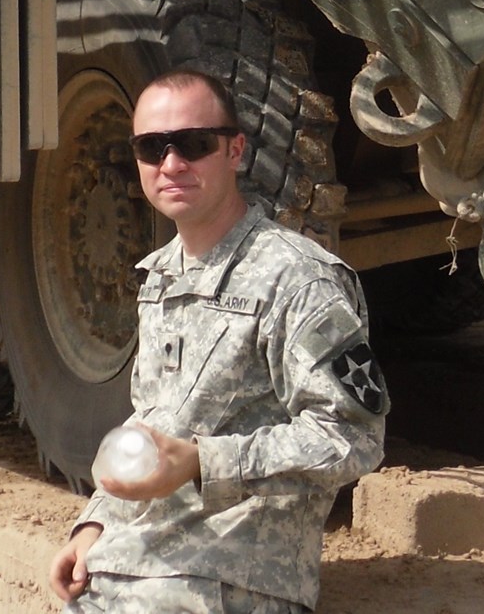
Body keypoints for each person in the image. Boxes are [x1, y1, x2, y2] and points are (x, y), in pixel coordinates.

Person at [49, 68, 387, 613]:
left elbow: (352, 435)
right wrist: (93, 523)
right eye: (151, 148)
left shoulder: (298, 279)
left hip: (234, 581)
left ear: (235, 150)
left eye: (193, 144)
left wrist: (206, 461)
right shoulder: (161, 277)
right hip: (135, 562)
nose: (172, 164)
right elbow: (152, 422)